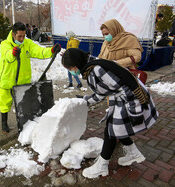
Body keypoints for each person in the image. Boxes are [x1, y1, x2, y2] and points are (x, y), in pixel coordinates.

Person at [61, 48, 158, 179]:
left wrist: (135, 111)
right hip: (123, 98)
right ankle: (133, 153)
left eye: (72, 68)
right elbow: (103, 92)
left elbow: (126, 87)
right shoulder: (92, 65)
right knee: (117, 129)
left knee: (111, 131)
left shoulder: (96, 70)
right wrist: (85, 100)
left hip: (132, 99)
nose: (72, 72)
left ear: (77, 63)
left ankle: (102, 165)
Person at [0, 22, 61, 133]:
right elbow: (7, 54)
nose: (22, 39)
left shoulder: (27, 43)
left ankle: (24, 124)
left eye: (23, 36)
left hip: (23, 81)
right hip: (8, 80)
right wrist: (13, 53)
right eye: (19, 36)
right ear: (13, 35)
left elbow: (39, 51)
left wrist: (50, 51)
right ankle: (4, 123)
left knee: (23, 104)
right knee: (5, 103)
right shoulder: (5, 44)